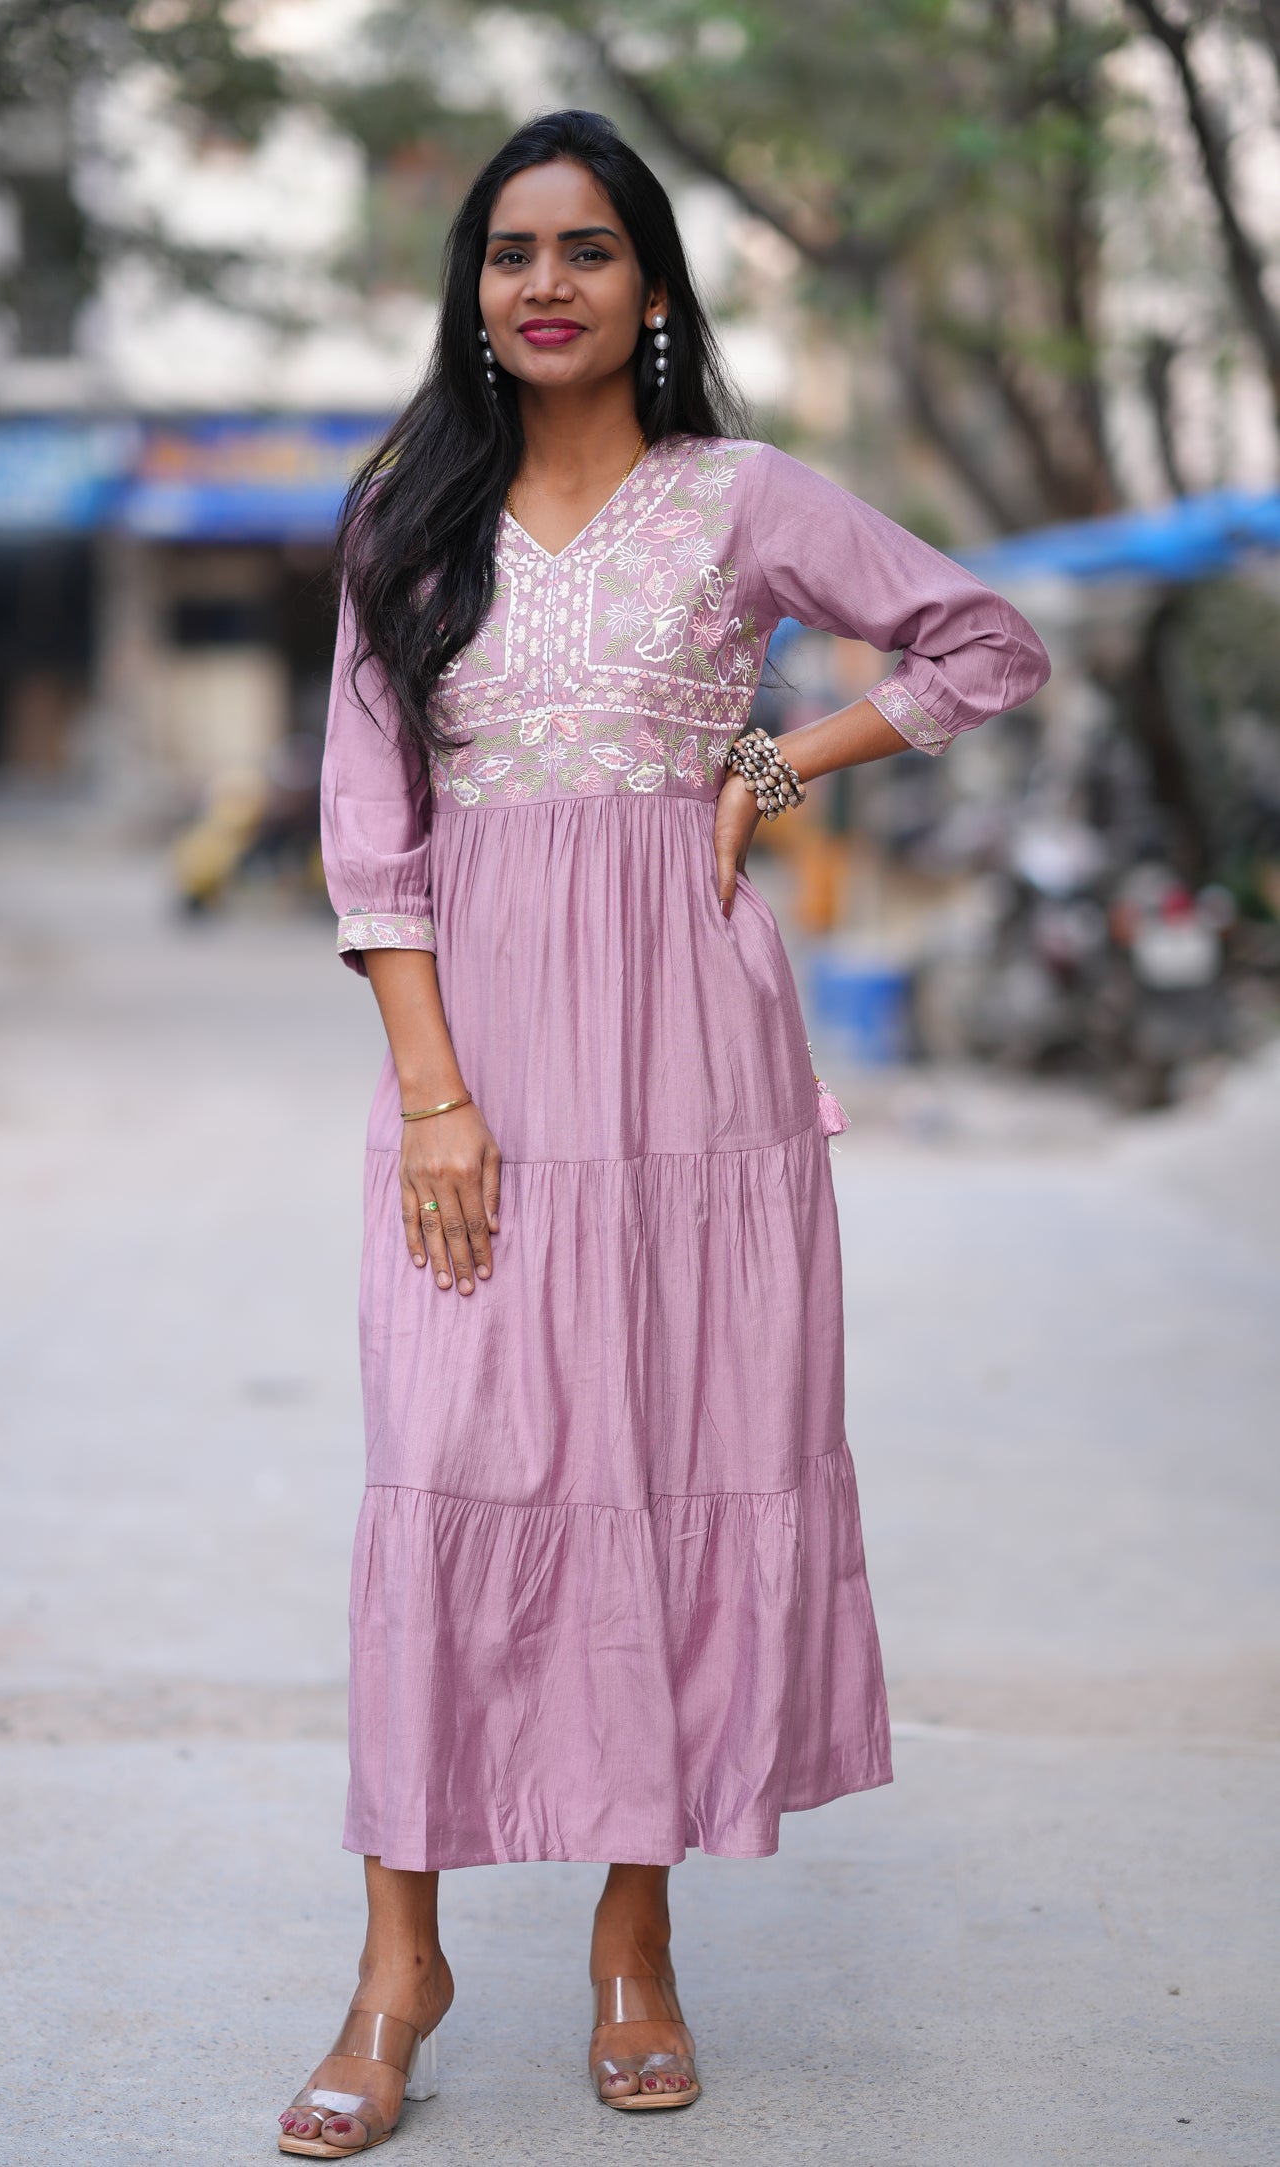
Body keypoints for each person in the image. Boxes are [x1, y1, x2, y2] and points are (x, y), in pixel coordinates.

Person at [282, 108, 1050, 2157]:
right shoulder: (404, 526)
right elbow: (373, 843)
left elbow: (983, 640)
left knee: (671, 1467)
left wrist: (782, 756)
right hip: (483, 1081)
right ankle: (397, 1957)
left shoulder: (744, 502)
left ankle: (639, 1937)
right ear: (474, 287)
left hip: (701, 1085)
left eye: (590, 248)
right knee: (445, 1474)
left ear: (650, 289)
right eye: (511, 249)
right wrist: (436, 1097)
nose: (545, 281)